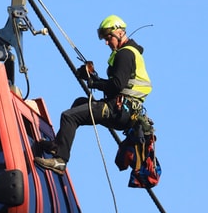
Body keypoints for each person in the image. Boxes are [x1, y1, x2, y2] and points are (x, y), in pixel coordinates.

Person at [34, 15, 154, 176]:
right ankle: (57, 145)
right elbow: (119, 85)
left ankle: (60, 160)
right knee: (80, 103)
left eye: (108, 37)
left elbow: (117, 85)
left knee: (69, 117)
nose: (106, 42)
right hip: (125, 112)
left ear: (119, 32)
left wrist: (94, 83)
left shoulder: (125, 54)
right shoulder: (130, 53)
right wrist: (94, 78)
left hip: (118, 110)